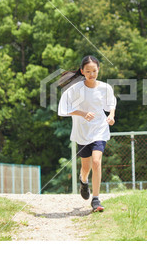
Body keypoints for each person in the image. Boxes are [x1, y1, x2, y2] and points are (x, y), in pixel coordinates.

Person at [57, 55, 116, 212]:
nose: (91, 74)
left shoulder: (105, 88)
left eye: (94, 71)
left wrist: (111, 115)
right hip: (82, 132)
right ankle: (83, 181)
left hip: (100, 129)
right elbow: (63, 109)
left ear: (98, 70)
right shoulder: (75, 90)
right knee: (86, 167)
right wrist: (82, 113)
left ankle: (95, 199)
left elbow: (111, 103)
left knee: (96, 162)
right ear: (82, 71)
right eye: (88, 71)